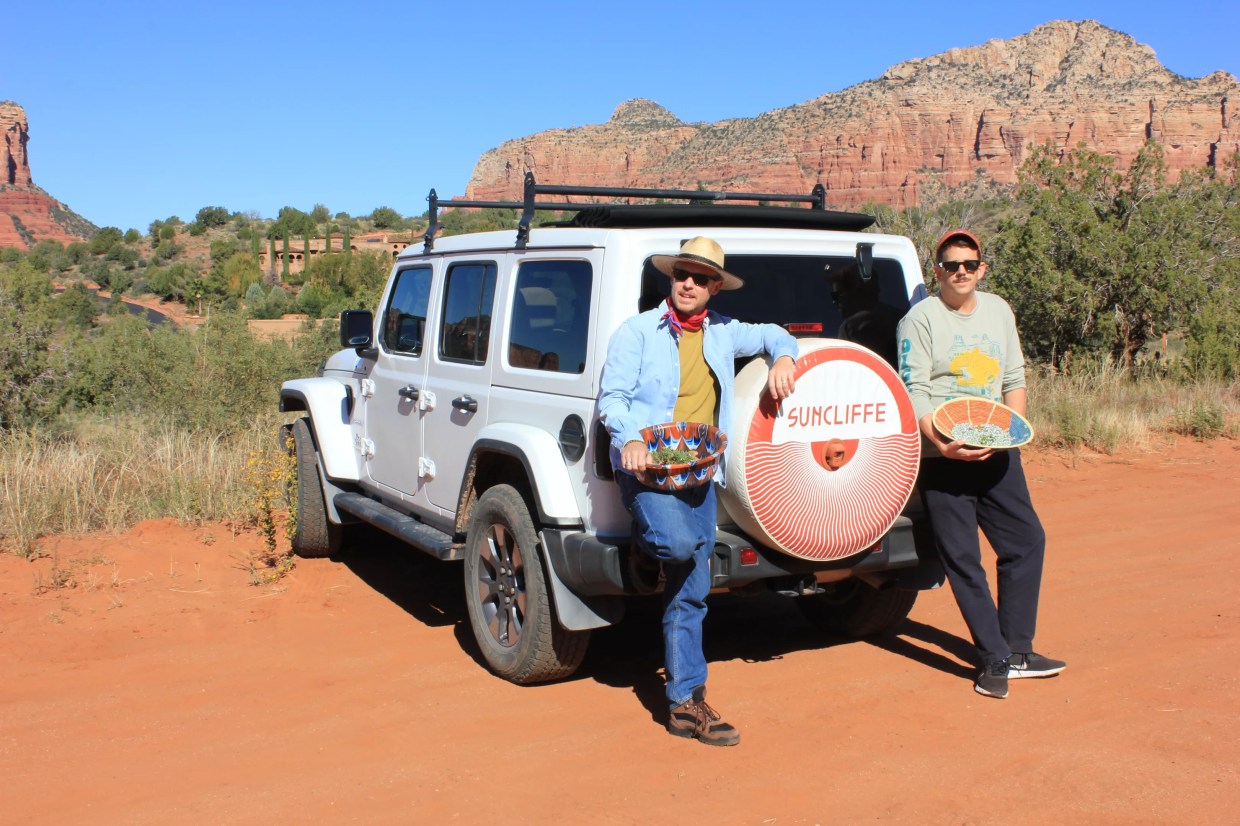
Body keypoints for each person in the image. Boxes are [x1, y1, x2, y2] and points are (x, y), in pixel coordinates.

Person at [599, 236, 798, 745]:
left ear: (715, 288)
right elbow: (613, 399)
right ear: (672, 279)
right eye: (682, 274)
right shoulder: (637, 332)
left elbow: (775, 332)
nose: (689, 283)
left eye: (701, 278)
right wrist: (630, 442)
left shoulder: (724, 333)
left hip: (699, 470)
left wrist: (784, 358)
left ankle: (686, 701)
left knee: (692, 588)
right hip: (646, 469)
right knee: (679, 548)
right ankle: (648, 549)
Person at [896, 229, 1066, 699]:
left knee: (1026, 540)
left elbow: (1013, 377)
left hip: (997, 449)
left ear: (982, 267)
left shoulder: (998, 310)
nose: (961, 272)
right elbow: (916, 389)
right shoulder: (920, 320)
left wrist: (1014, 430)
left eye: (969, 263)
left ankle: (1019, 650)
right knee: (963, 558)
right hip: (943, 454)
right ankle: (993, 658)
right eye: (951, 265)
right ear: (938, 271)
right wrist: (939, 442)